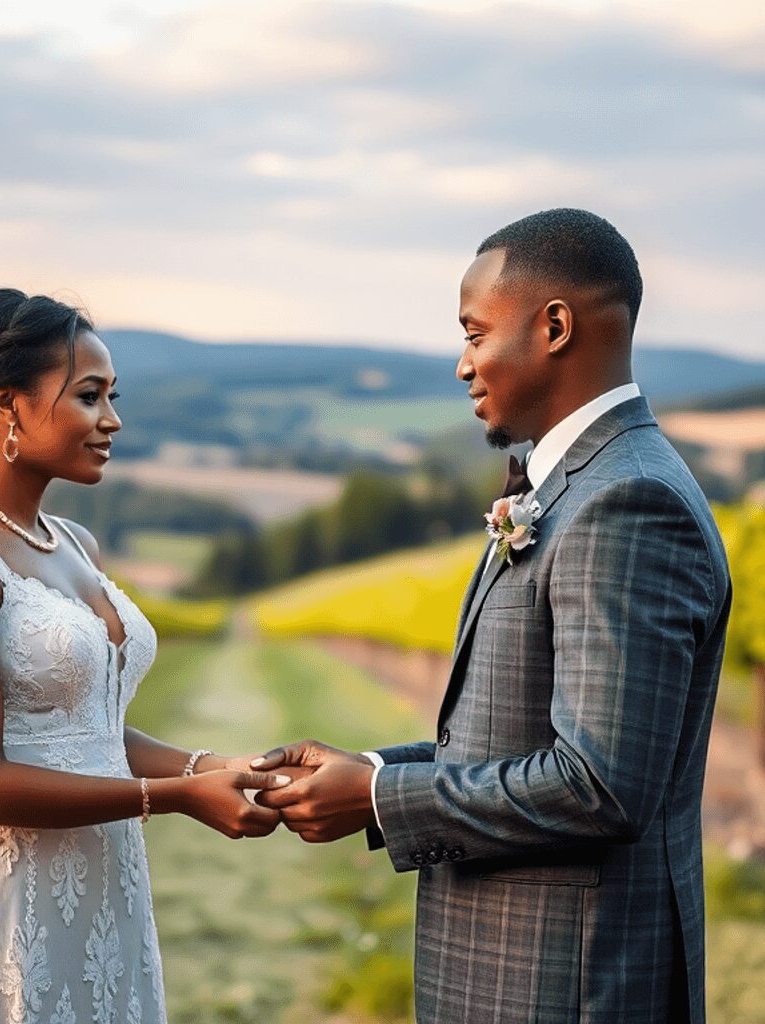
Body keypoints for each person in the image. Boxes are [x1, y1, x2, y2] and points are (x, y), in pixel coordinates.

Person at [257, 209, 732, 1023]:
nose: (462, 365)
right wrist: (371, 772)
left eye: (475, 334)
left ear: (553, 327)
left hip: (568, 986)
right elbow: (519, 741)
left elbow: (598, 786)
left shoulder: (627, 501)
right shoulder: (578, 486)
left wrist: (377, 802)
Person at [0, 288, 290, 1024]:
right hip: (0, 891)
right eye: (89, 396)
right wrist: (173, 799)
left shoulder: (74, 544)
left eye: (112, 396)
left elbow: (90, 731)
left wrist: (212, 768)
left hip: (100, 881)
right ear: (8, 405)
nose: (112, 420)